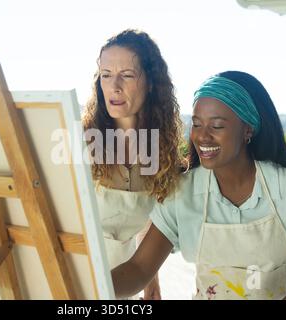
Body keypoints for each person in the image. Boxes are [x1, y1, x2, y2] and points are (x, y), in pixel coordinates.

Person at [111, 71, 286, 300]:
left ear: (248, 130)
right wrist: (86, 290)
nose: (202, 137)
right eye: (196, 124)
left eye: (216, 126)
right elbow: (139, 269)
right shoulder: (183, 193)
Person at [82, 29, 187, 299]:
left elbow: (151, 224)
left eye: (127, 75)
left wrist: (150, 280)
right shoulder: (81, 144)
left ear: (151, 82)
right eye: (106, 75)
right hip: (68, 284)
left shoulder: (162, 156)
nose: (114, 86)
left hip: (120, 286)